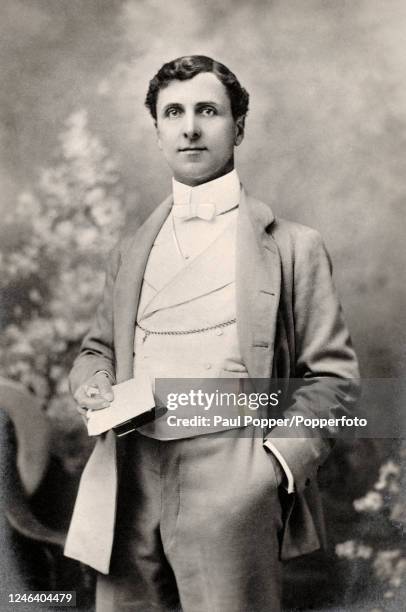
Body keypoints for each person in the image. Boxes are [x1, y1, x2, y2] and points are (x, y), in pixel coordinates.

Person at [64, 55, 360, 612]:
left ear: (238, 127)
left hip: (234, 472)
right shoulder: (130, 250)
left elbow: (333, 380)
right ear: (156, 130)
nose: (190, 126)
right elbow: (96, 349)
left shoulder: (296, 247)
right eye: (173, 112)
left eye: (208, 110)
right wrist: (93, 380)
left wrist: (273, 465)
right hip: (129, 474)